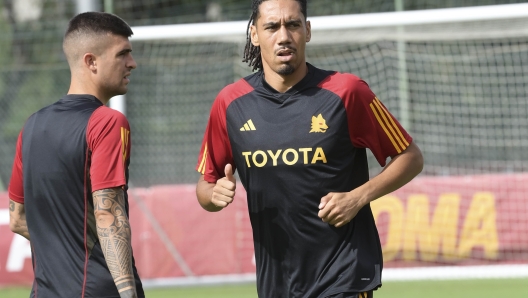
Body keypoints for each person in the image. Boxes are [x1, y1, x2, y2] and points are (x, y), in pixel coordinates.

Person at [196, 0, 424, 297]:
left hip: (343, 277)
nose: (284, 36)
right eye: (272, 26)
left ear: (307, 30)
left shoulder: (347, 92)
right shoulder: (230, 103)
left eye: (292, 25)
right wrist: (214, 196)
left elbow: (411, 157)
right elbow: (205, 185)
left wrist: (357, 198)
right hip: (276, 284)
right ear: (254, 34)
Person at [8, 12, 143, 298]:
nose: (132, 63)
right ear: (91, 61)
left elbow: (18, 219)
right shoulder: (107, 121)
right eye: (123, 54)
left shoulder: (31, 125)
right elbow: (108, 215)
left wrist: (63, 248)